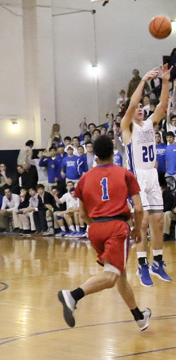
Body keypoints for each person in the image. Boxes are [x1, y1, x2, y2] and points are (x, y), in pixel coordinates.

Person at [56, 135, 151, 331]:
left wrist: (97, 226)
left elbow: (83, 214)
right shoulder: (125, 174)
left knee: (119, 274)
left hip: (95, 229)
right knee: (110, 277)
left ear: (95, 156)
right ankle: (73, 295)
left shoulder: (84, 178)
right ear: (113, 154)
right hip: (117, 227)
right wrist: (136, 229)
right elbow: (139, 208)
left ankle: (139, 317)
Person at [121, 65, 172, 286]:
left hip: (152, 175)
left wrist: (165, 82)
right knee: (141, 224)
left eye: (143, 107)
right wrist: (143, 81)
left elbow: (163, 104)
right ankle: (142, 264)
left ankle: (157, 262)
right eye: (137, 107)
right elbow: (133, 103)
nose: (140, 108)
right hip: (137, 178)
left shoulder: (151, 124)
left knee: (158, 221)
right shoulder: (127, 127)